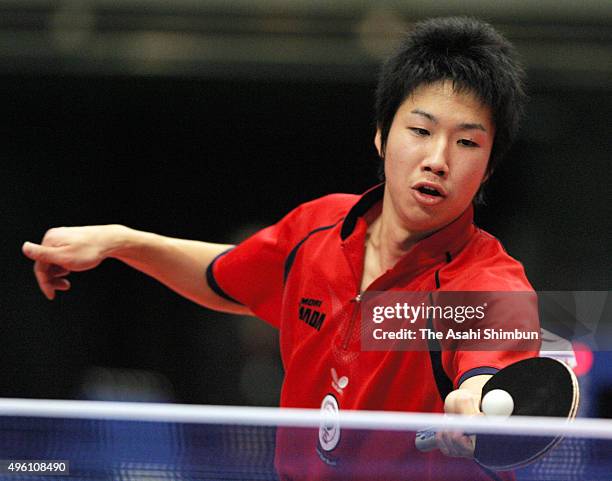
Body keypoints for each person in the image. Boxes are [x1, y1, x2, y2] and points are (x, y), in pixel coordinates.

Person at [23, 16, 540, 481]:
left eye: (467, 142)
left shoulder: (486, 283)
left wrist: (475, 399)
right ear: (382, 137)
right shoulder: (316, 230)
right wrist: (120, 241)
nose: (437, 159)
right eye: (421, 130)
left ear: (489, 167)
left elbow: (489, 363)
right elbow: (223, 278)